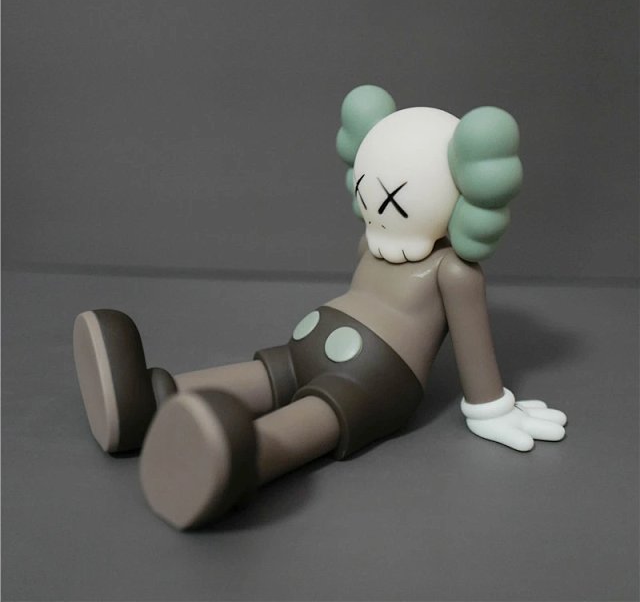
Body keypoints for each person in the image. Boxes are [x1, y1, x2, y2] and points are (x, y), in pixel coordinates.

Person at [73, 85, 567, 530]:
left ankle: (241, 459)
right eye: (367, 189)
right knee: (269, 374)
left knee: (318, 409)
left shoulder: (453, 273)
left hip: (376, 377)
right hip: (313, 340)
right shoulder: (370, 244)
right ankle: (145, 401)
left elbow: (473, 345)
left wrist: (490, 410)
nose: (374, 205)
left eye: (391, 197)